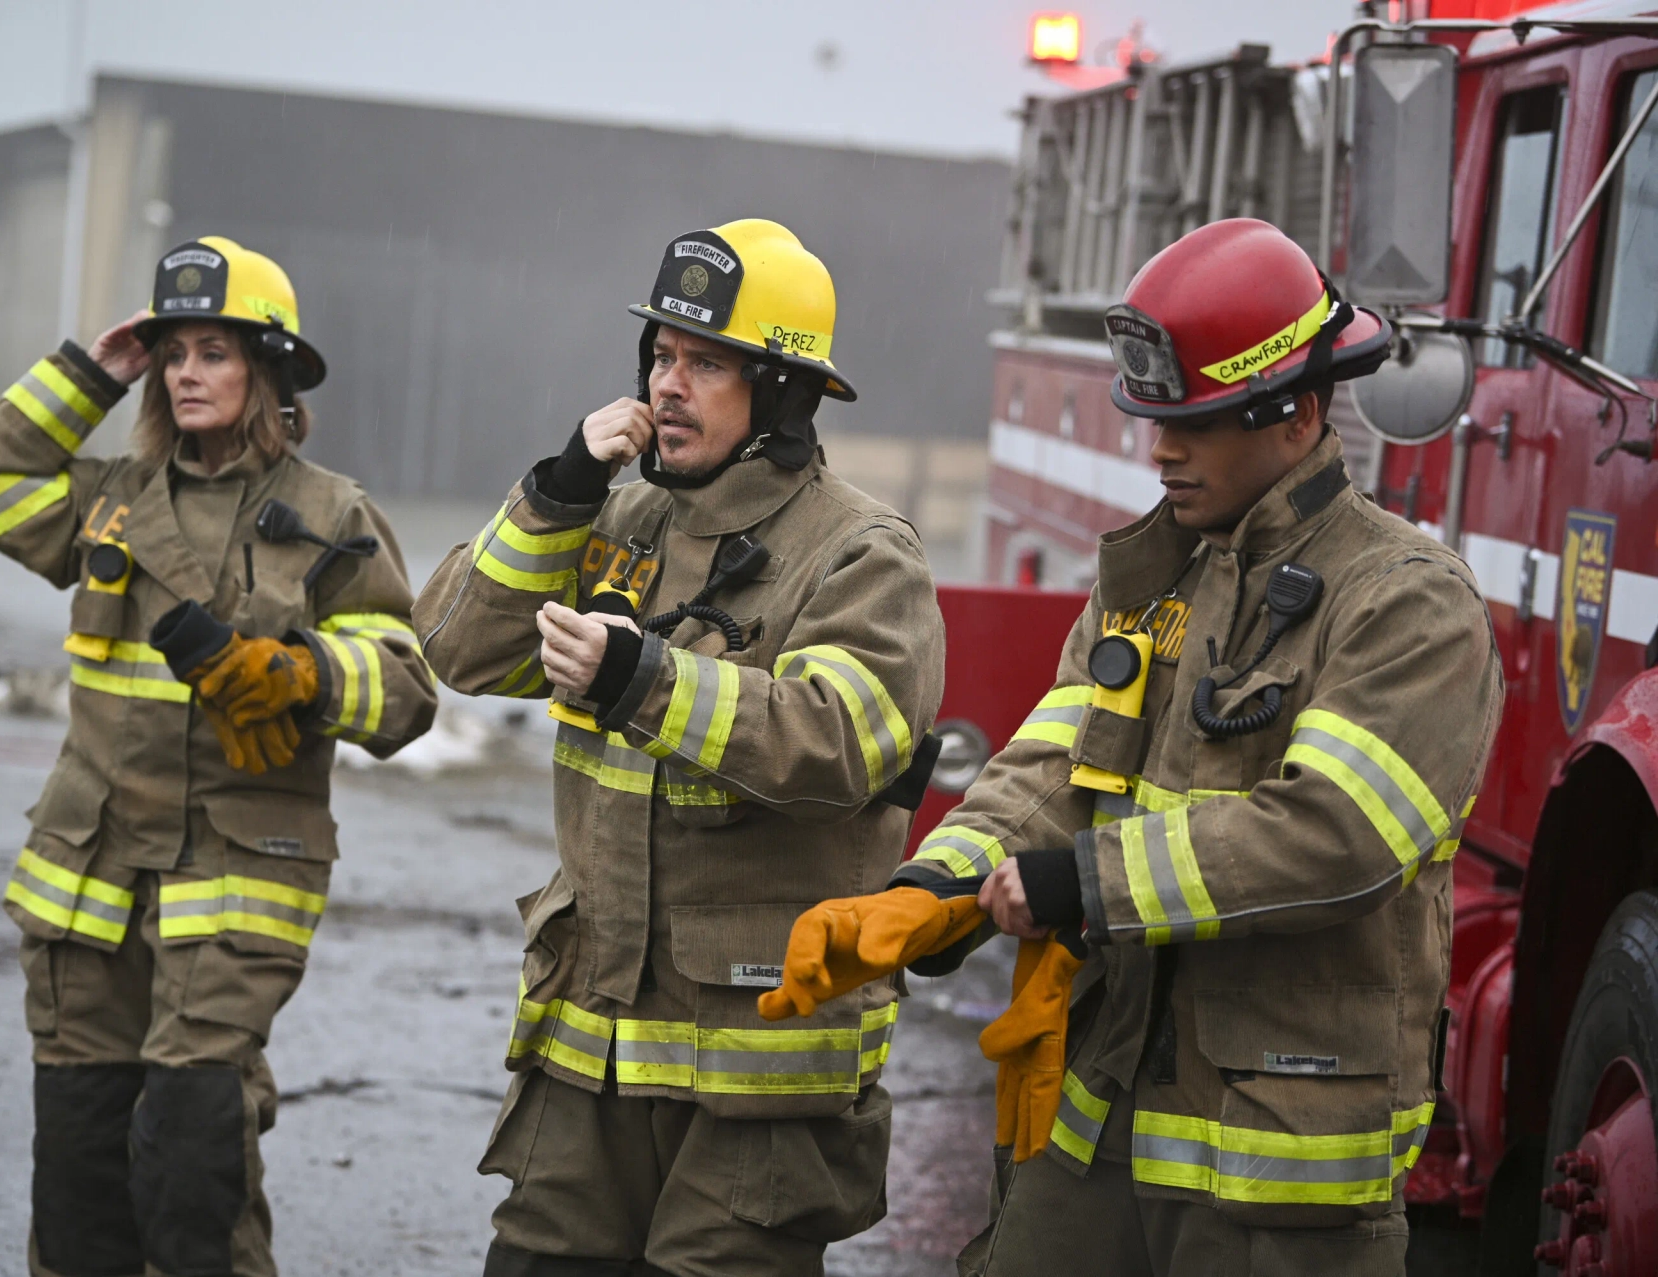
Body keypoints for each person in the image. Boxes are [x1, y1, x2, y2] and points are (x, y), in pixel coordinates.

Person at [763, 218, 1503, 1275]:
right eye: (1155, 419)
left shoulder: (1408, 605)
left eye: (1195, 425)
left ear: (1295, 417)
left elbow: (1334, 836)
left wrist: (1076, 886)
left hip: (1274, 1169)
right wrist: (934, 886)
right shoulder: (1157, 582)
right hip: (1098, 1114)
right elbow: (1053, 769)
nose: (1159, 450)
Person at [414, 217, 946, 1276]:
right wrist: (558, 492)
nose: (669, 383)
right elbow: (457, 644)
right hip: (589, 1055)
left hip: (761, 1084)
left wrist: (643, 679)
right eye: (661, 354)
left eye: (707, 362)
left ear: (784, 394)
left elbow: (836, 739)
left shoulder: (862, 554)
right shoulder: (620, 524)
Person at [0, 235, 437, 1277]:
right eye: (173, 355)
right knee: (77, 1174)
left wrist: (305, 674)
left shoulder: (331, 512)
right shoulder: (108, 498)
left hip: (236, 875)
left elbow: (407, 690)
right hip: (88, 876)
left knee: (186, 1163)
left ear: (269, 371)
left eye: (215, 351)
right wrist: (89, 373)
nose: (188, 373)